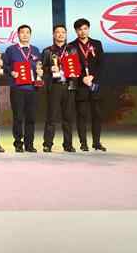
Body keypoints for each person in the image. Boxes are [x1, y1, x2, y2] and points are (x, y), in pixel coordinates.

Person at [3, 24, 42, 153]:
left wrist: (40, 72)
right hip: (17, 88)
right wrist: (11, 72)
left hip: (32, 88)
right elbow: (5, 66)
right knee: (18, 117)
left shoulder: (35, 50)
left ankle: (29, 144)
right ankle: (18, 143)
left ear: (30, 35)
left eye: (27, 32)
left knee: (31, 118)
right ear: (18, 35)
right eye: (22, 32)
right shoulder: (11, 50)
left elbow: (39, 66)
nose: (25, 35)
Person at [69, 18, 106, 152]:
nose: (83, 31)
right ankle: (83, 143)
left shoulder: (97, 44)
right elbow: (70, 66)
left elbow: (101, 64)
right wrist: (82, 78)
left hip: (94, 84)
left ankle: (96, 142)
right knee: (81, 115)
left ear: (88, 29)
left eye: (85, 29)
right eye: (80, 29)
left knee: (97, 115)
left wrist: (92, 76)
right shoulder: (71, 46)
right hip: (80, 85)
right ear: (76, 31)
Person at [40, 25, 78, 153]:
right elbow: (41, 68)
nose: (60, 34)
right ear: (53, 35)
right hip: (54, 86)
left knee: (68, 117)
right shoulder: (47, 51)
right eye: (58, 32)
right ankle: (47, 144)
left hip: (69, 85)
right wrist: (50, 69)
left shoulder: (72, 50)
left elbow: (77, 66)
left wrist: (74, 72)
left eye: (63, 32)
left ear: (66, 35)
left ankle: (68, 144)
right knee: (51, 116)